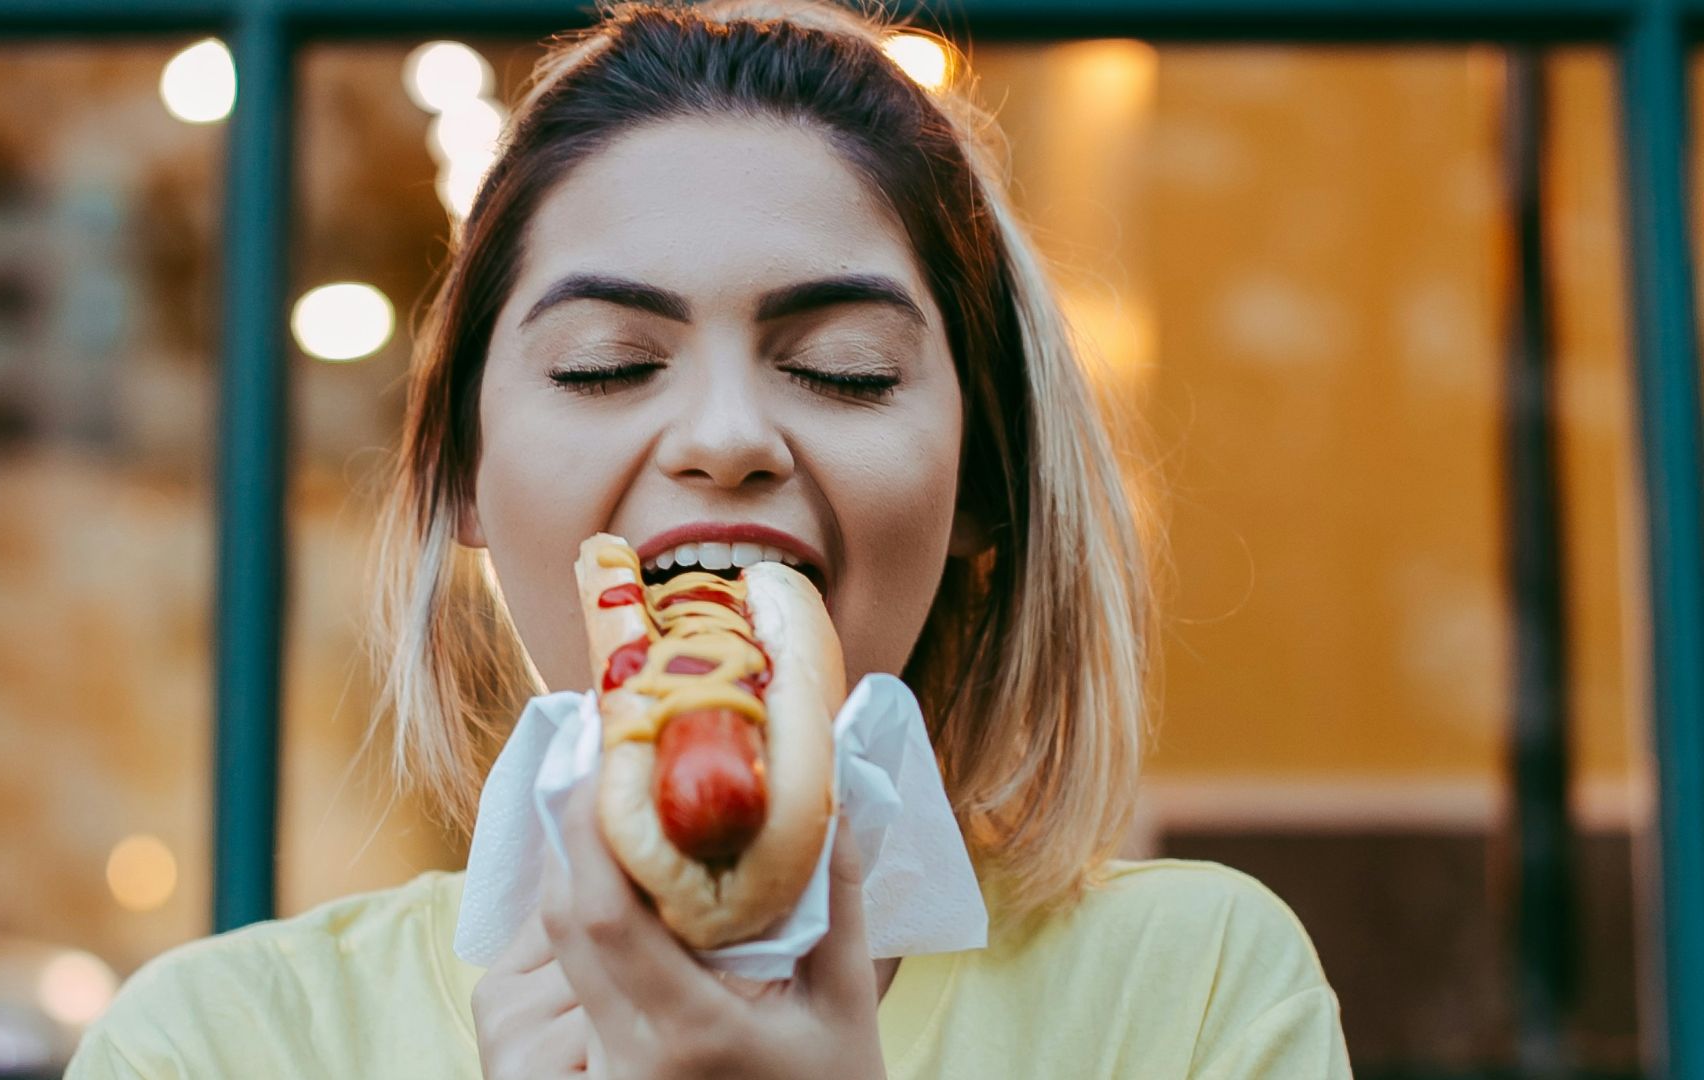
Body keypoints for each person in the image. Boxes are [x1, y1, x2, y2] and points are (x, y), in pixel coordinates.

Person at [66, 0, 1355, 1075]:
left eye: (847, 371)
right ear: (462, 470)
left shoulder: (1194, 993)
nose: (727, 436)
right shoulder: (217, 1044)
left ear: (984, 481)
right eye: (605, 365)